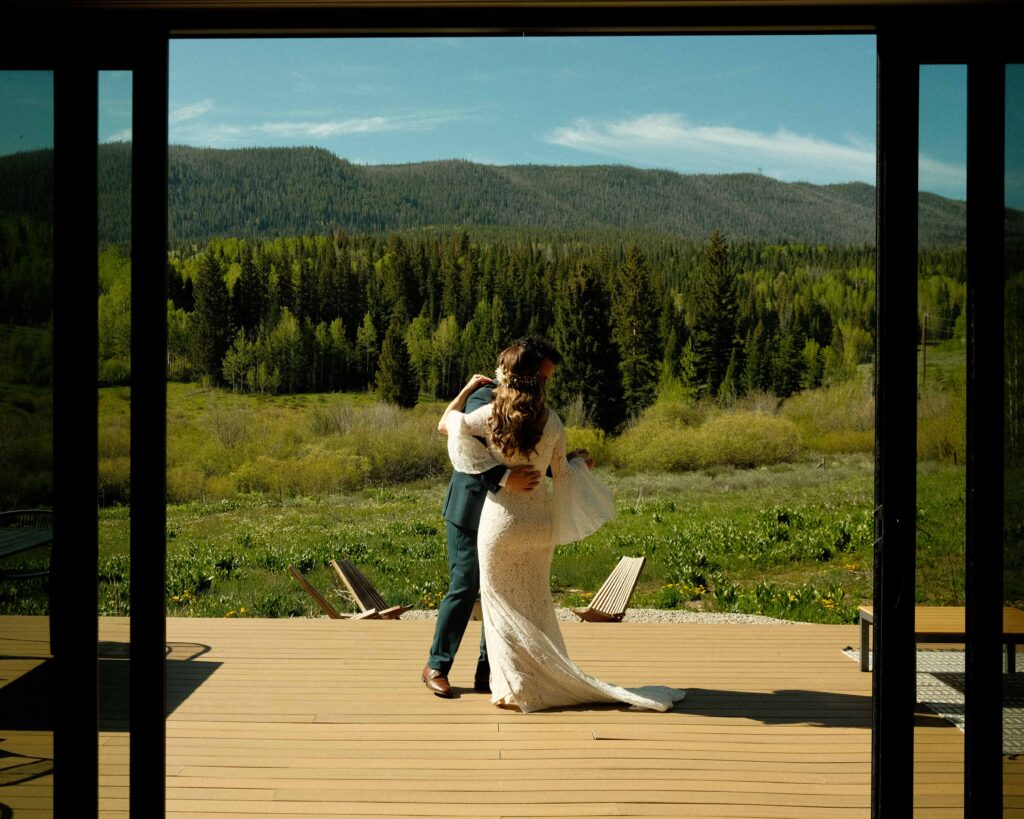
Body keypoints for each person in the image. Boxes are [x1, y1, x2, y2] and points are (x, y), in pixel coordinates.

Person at [438, 338, 686, 713]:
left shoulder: (488, 416)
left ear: (508, 375)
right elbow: (556, 471)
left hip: (501, 523)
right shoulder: (551, 420)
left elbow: (445, 427)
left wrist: (465, 392)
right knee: (536, 607)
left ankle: (511, 686)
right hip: (539, 524)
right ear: (537, 380)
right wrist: (575, 464)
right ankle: (537, 676)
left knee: (499, 606)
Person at [421, 355, 543, 698]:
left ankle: (487, 670)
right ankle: (436, 666)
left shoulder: (532, 407)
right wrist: (503, 478)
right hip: (468, 510)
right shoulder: (482, 396)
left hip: (503, 516)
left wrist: (569, 461)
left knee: (498, 587)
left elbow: (525, 454)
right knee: (464, 585)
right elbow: (463, 443)